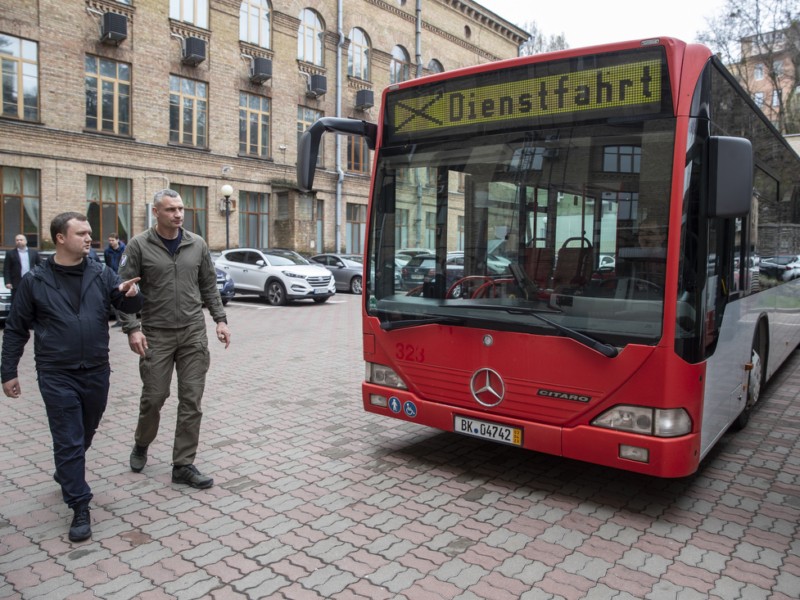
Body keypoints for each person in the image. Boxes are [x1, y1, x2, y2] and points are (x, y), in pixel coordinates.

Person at [0, 212, 143, 543]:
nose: (89, 238)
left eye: (90, 232)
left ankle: (67, 470)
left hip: (96, 370)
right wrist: (8, 372)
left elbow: (126, 303)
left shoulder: (100, 272)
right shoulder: (35, 281)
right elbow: (16, 329)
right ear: (60, 238)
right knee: (69, 437)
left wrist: (131, 296)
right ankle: (79, 504)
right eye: (81, 233)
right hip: (56, 373)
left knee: (86, 431)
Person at [118, 188, 231, 490]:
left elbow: (209, 286)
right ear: (156, 212)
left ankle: (183, 464)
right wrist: (132, 328)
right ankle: (142, 443)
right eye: (170, 210)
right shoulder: (139, 245)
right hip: (155, 333)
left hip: (193, 332)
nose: (178, 214)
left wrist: (220, 320)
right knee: (155, 398)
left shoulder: (197, 244)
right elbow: (124, 289)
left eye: (180, 209)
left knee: (191, 401)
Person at [4, 234, 40, 303]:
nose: (19, 241)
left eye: (21, 240)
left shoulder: (33, 252)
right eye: (17, 240)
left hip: (31, 281)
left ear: (26, 241)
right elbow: (6, 269)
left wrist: (38, 279)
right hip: (16, 283)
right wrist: (7, 282)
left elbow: (40, 266)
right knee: (16, 302)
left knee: (30, 302)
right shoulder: (10, 253)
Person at [104, 233, 126, 327]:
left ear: (117, 240)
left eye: (112, 240)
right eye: (109, 240)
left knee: (124, 298)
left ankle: (125, 320)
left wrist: (123, 273)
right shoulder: (107, 251)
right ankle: (119, 320)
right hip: (112, 276)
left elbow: (125, 262)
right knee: (114, 298)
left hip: (122, 276)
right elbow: (107, 263)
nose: (111, 242)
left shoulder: (124, 250)